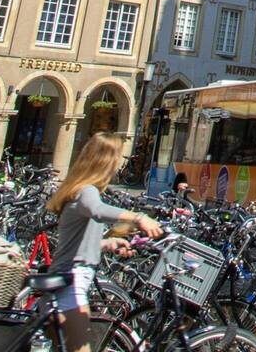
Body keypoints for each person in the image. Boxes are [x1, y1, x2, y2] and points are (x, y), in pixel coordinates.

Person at [45, 132, 166, 352]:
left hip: (66, 279)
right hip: (70, 283)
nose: (119, 164)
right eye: (117, 157)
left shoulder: (80, 190)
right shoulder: (86, 191)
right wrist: (139, 217)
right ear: (106, 161)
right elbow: (98, 211)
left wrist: (105, 244)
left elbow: (74, 242)